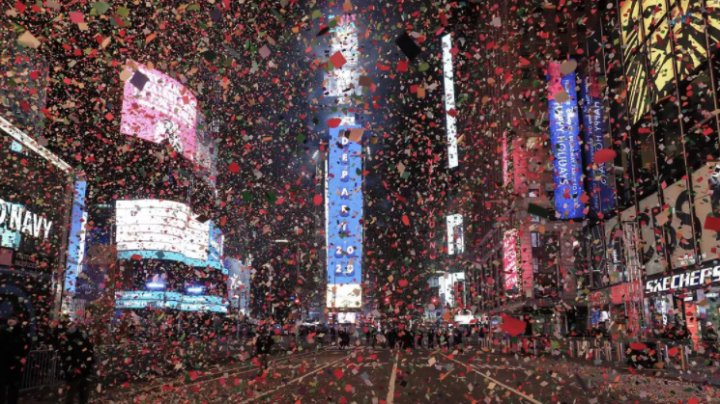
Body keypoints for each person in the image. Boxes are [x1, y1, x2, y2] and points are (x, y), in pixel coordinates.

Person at [60, 322, 94, 404]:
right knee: (72, 392)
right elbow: (65, 354)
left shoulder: (82, 337)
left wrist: (87, 364)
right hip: (74, 370)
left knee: (82, 392)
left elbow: (89, 352)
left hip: (83, 370)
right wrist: (73, 367)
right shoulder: (66, 338)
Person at [0, 316, 29, 404]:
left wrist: (22, 357)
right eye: (9, 319)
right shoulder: (3, 331)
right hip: (4, 363)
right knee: (2, 387)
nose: (11, 321)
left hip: (16, 364)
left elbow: (26, 345)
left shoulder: (21, 332)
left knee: (13, 388)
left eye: (13, 319)